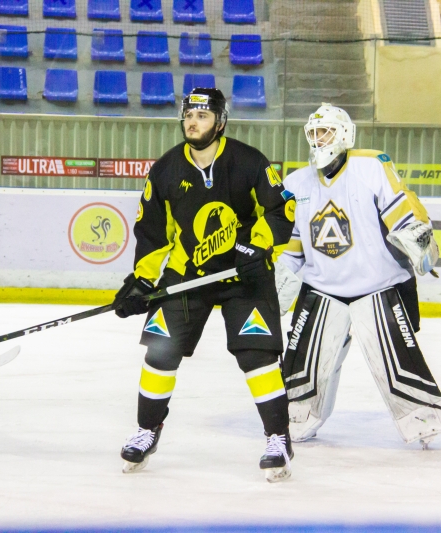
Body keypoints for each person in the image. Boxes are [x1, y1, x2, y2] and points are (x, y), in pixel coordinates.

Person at [112, 88, 296, 482]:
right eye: (189, 115)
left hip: (244, 275)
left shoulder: (248, 161)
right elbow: (152, 230)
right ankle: (147, 430)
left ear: (220, 122)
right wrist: (142, 279)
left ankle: (278, 438)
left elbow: (282, 207)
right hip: (187, 276)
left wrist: (259, 245)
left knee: (257, 356)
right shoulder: (166, 169)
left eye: (203, 115)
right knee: (160, 353)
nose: (193, 122)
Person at [274, 103, 441, 447]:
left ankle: (423, 416)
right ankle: (299, 415)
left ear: (344, 134)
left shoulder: (371, 166)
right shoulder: (296, 183)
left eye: (325, 132)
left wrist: (417, 236)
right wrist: (279, 278)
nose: (318, 139)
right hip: (322, 288)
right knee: (303, 366)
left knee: (397, 362)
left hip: (378, 286)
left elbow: (402, 207)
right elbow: (294, 245)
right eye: (313, 133)